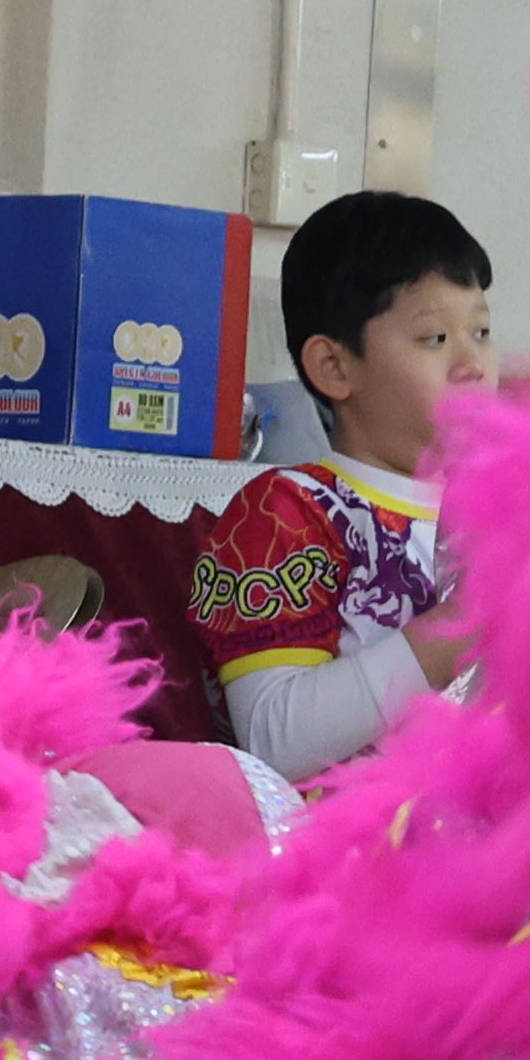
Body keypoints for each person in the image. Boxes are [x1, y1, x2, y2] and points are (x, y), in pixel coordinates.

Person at [190, 189, 487, 782]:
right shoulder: (286, 512)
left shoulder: (493, 511)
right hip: (327, 834)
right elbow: (272, 741)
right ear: (334, 366)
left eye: (481, 331)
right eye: (435, 339)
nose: (472, 365)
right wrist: (457, 628)